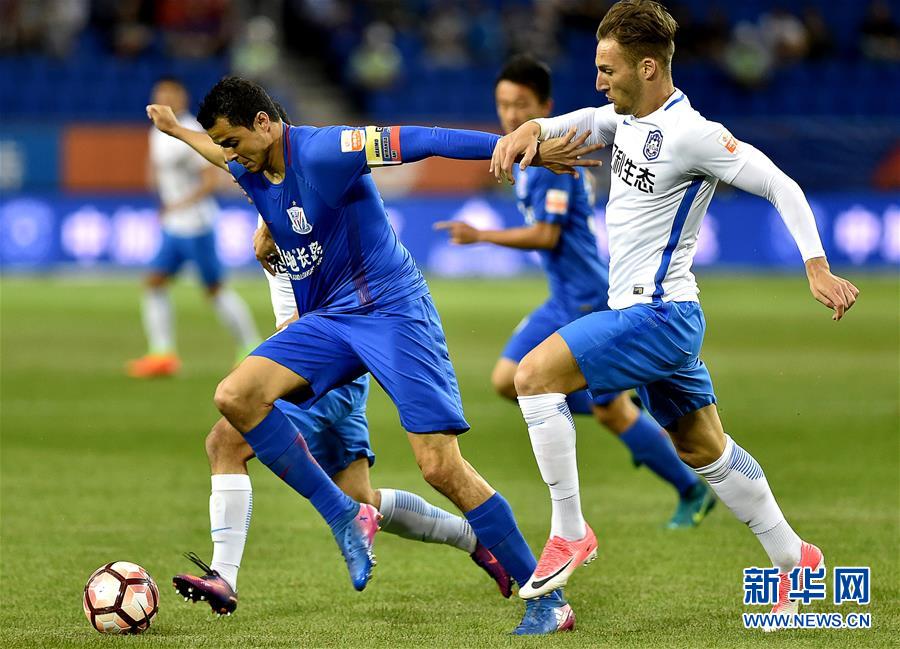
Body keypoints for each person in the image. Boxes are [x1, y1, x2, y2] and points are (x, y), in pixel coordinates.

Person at [147, 76, 598, 634]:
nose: (229, 156)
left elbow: (424, 138)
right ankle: (344, 514)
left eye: (233, 142)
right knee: (235, 396)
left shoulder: (326, 150)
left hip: (391, 311)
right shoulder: (247, 160)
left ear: (264, 123)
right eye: (224, 146)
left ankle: (548, 601)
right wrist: (178, 131)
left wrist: (513, 147)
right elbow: (216, 152)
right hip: (329, 320)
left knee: (440, 467)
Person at [491, 0, 858, 621]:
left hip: (659, 314)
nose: (598, 81)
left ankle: (570, 531)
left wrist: (816, 265)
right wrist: (536, 129)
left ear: (649, 67)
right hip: (653, 316)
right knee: (702, 447)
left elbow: (780, 184)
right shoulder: (624, 117)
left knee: (532, 375)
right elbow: (588, 121)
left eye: (608, 69)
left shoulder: (694, 134)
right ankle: (797, 559)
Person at [436, 54, 715, 530]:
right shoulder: (532, 157)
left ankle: (690, 488)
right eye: (503, 105)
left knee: (594, 407)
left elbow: (547, 235)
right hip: (564, 296)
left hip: (586, 297)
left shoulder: (551, 162)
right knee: (513, 382)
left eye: (521, 105)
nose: (510, 115)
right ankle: (611, 402)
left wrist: (481, 236)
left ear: (545, 108)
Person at [173, 233, 513, 617]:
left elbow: (343, 292)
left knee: (225, 443)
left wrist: (274, 353)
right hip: (328, 364)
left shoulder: (307, 207)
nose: (246, 191)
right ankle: (476, 540)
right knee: (361, 497)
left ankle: (224, 576)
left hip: (321, 363)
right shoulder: (272, 206)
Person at [128, 77, 260, 378]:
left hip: (197, 224)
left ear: (182, 97)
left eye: (169, 93)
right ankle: (162, 354)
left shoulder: (191, 132)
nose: (163, 98)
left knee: (214, 290)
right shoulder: (158, 131)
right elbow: (157, 168)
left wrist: (177, 204)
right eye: (159, 92)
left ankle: (251, 348)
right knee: (154, 282)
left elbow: (211, 180)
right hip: (173, 226)